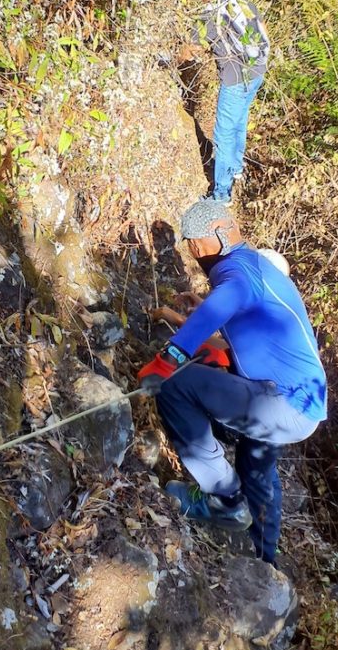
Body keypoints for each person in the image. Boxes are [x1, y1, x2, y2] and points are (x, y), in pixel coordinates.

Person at [138, 198, 327, 564]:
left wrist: (167, 361)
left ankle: (225, 501)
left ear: (198, 244)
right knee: (255, 467)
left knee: (177, 385)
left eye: (192, 245)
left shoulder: (235, 273)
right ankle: (263, 559)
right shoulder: (255, 263)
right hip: (304, 406)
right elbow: (238, 326)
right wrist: (197, 319)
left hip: (282, 403)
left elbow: (225, 302)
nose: (192, 252)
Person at [181, 0, 270, 203]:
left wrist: (172, 61)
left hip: (234, 79)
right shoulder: (240, 0)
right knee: (239, 121)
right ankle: (236, 166)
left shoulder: (209, 17)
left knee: (222, 134)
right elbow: (262, 28)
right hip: (257, 71)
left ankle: (221, 194)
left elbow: (191, 51)